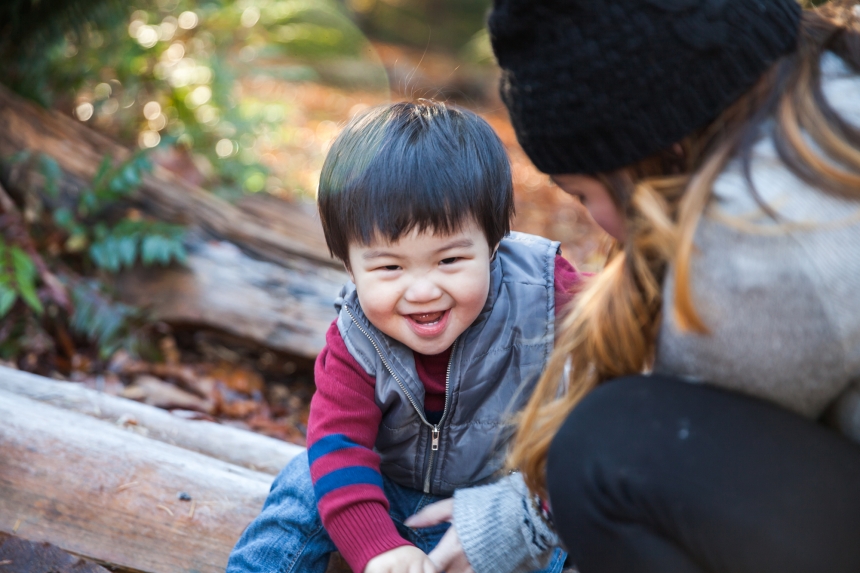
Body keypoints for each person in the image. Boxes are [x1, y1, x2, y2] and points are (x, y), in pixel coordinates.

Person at [406, 1, 860, 572]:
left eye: (582, 193)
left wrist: (519, 517)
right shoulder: (831, 88)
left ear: (660, 150)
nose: (595, 219)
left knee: (603, 449)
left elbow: (668, 439)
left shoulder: (768, 238)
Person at [226, 101, 578, 573]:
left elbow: (636, 328)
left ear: (494, 243)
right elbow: (340, 443)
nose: (423, 290)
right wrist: (378, 547)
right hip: (391, 503)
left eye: (450, 261)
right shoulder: (357, 341)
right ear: (350, 266)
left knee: (574, 530)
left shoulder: (545, 290)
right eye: (390, 267)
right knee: (309, 479)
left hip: (506, 509)